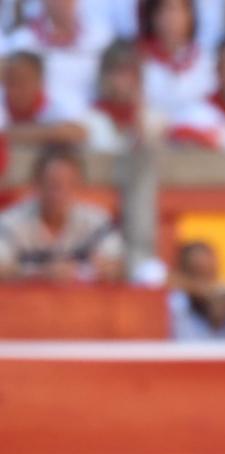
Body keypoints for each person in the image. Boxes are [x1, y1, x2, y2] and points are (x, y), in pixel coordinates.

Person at [0, 144, 125, 281]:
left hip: (81, 295)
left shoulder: (97, 221)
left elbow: (118, 264)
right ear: (36, 185)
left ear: (80, 187)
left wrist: (107, 268)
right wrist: (42, 273)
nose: (60, 194)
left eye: (69, 185)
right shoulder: (11, 222)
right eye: (53, 185)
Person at [3, 0, 110, 114]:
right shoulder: (21, 40)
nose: (62, 2)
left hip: (94, 115)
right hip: (43, 117)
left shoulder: (101, 35)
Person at [135, 0, 211, 122]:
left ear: (190, 16)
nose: (171, 18)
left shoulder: (207, 62)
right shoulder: (138, 59)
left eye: (178, 10)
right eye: (164, 10)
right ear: (152, 16)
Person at [83, 39, 163, 151]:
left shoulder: (155, 120)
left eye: (129, 72)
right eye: (117, 72)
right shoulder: (90, 120)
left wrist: (138, 119)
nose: (123, 80)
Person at [0, 48, 86, 146]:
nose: (16, 89)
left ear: (39, 80)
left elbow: (79, 133)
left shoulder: (60, 102)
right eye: (11, 81)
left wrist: (14, 133)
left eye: (23, 81)